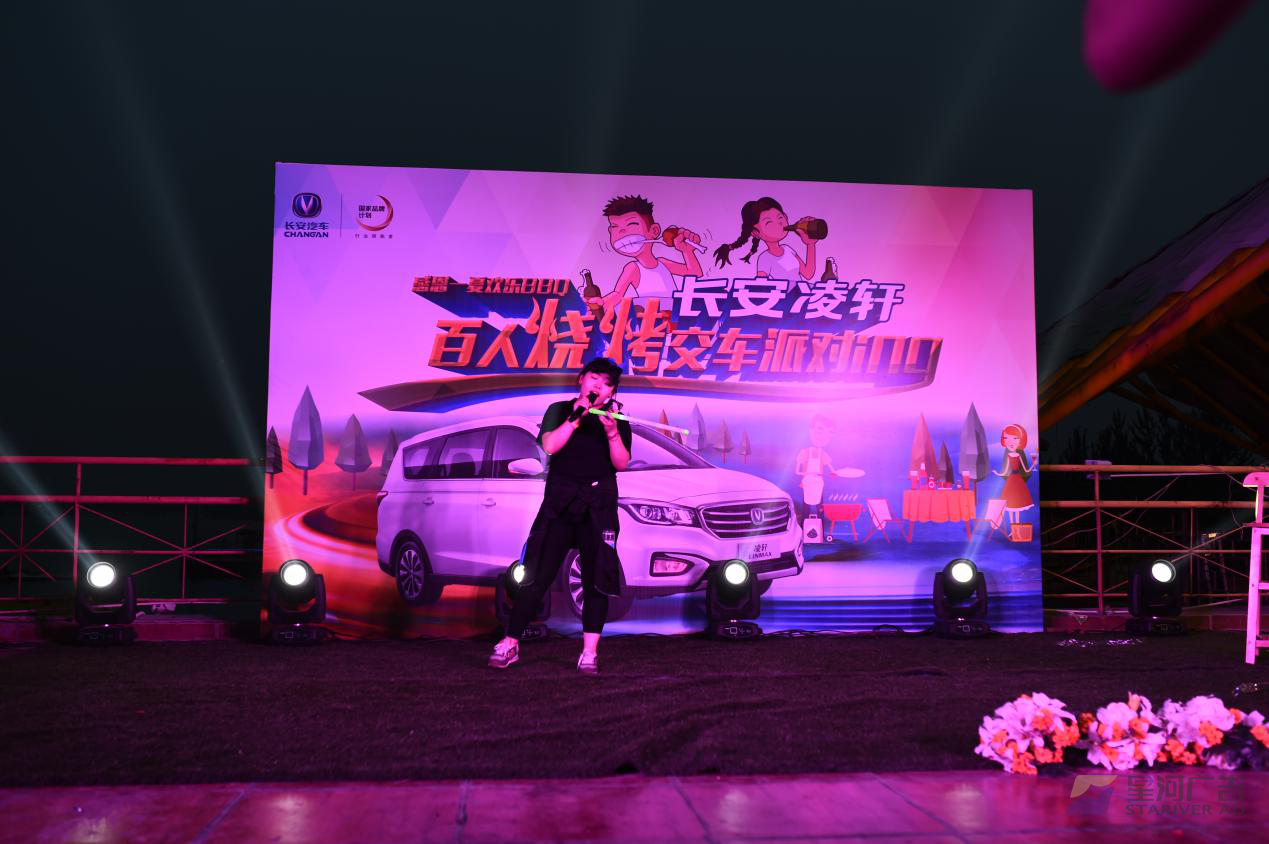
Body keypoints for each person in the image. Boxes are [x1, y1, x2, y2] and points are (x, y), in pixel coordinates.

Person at [489, 357, 632, 674]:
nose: (599, 386)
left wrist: (612, 432)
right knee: (537, 575)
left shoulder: (617, 418)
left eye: (607, 384)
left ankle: (589, 653)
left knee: (596, 579)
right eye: (594, 379)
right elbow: (551, 446)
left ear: (612, 392)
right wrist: (574, 419)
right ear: (581, 379)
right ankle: (510, 643)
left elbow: (621, 463)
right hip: (560, 503)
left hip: (598, 505)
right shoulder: (558, 410)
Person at [586, 195, 703, 314]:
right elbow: (618, 294)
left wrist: (687, 251)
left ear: (654, 231)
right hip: (651, 319)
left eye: (631, 224)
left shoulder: (663, 263)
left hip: (674, 315)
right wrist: (603, 303)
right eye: (615, 227)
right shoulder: (633, 268)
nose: (622, 231)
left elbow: (695, 273)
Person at [713, 196, 818, 283]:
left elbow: (808, 274)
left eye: (780, 217)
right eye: (769, 222)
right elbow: (761, 287)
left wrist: (810, 244)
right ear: (755, 233)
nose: (779, 223)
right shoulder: (765, 258)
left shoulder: (787, 249)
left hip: (803, 295)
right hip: (786, 299)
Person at [993, 423, 1034, 524]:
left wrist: (1033, 466)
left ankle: (1017, 525)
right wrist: (997, 473)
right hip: (1011, 480)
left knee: (1017, 503)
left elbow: (1026, 470)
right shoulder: (1008, 456)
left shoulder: (1019, 455)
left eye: (1015, 438)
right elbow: (1005, 470)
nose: (1010, 442)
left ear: (1021, 440)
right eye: (1006, 438)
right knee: (1011, 503)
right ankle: (1012, 525)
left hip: (1018, 480)